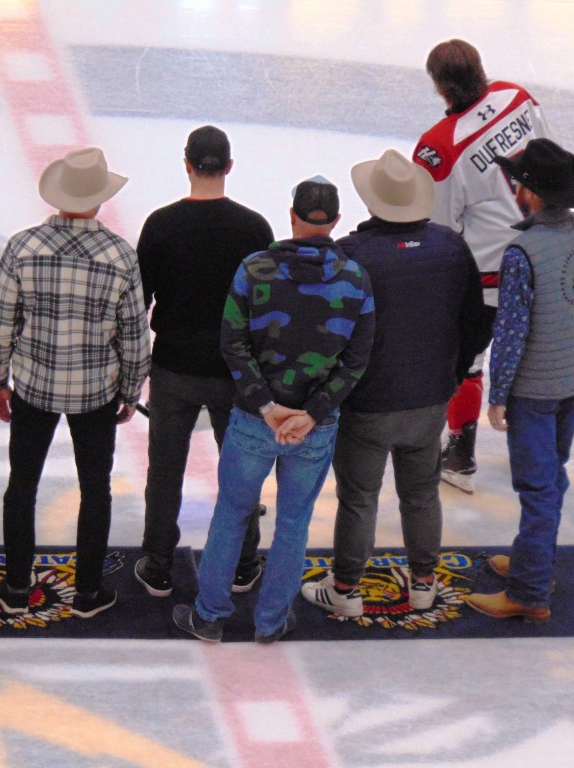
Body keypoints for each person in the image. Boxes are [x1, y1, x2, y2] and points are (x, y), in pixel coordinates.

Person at [172, 177, 375, 644]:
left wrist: (267, 407)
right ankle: (271, 622)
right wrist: (312, 413)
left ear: (292, 215)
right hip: (313, 429)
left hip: (254, 421)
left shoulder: (255, 269)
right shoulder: (355, 278)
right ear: (336, 221)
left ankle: (210, 616)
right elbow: (356, 361)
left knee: (232, 514)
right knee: (293, 524)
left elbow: (233, 344)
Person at [301, 150, 487, 618]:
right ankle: (423, 582)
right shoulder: (450, 246)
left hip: (367, 401)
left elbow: (328, 331)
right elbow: (476, 321)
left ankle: (346, 589)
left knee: (359, 499)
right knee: (421, 494)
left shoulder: (353, 253)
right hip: (428, 399)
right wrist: (450, 375)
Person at [0, 147, 150, 619]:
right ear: (99, 199)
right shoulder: (120, 255)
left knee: (22, 484)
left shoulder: (23, 246)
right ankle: (88, 592)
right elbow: (134, 335)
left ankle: (18, 586)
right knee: (95, 489)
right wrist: (131, 391)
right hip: (95, 393)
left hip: (33, 387)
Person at [465, 139, 574, 623]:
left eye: (519, 184)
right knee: (552, 477)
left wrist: (498, 395)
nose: (515, 190)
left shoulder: (523, 252)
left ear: (533, 194)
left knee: (538, 487)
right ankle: (533, 562)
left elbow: (511, 331)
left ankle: (528, 591)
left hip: (536, 389)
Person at [136, 125, 274, 598]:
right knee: (240, 469)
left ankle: (158, 564)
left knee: (164, 469)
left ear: (187, 164)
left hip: (173, 366)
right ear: (229, 166)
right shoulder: (253, 228)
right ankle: (243, 563)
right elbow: (266, 304)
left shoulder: (161, 225)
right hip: (235, 371)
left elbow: (139, 299)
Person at [413, 39, 553, 494]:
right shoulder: (516, 95)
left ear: (439, 86)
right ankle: (539, 459)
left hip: (487, 276)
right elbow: (551, 161)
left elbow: (441, 227)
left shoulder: (439, 145)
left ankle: (461, 454)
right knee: (535, 356)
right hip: (542, 252)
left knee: (468, 358)